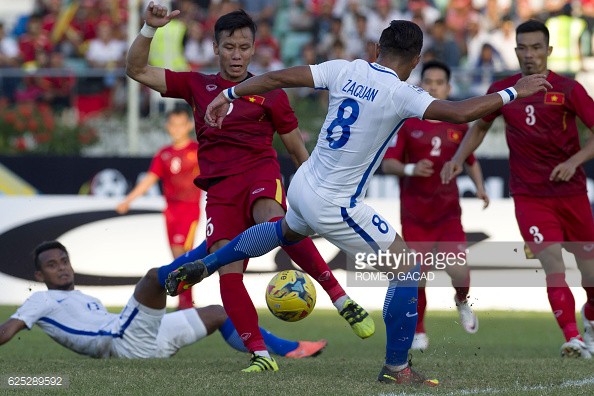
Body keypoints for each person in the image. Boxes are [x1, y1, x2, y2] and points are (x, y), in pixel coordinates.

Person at [176, 20, 550, 385]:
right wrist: (514, 91)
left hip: (304, 183)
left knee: (285, 230)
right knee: (407, 269)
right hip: (334, 203)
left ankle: (206, 263)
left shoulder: (344, 69)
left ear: (376, 50)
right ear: (416, 61)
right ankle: (397, 367)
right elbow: (459, 112)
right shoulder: (402, 93)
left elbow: (276, 77)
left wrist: (228, 94)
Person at [125, 3, 374, 372]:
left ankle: (340, 299)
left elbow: (294, 148)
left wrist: (314, 193)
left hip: (260, 176)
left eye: (244, 47)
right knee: (229, 269)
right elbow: (136, 70)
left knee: (274, 219)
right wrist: (148, 29)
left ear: (254, 48)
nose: (237, 55)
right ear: (215, 47)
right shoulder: (198, 85)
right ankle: (260, 354)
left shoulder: (270, 92)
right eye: (229, 47)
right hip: (220, 191)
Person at [441, 19, 594, 359]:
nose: (529, 55)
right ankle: (573, 337)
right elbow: (479, 127)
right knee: (553, 263)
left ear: (549, 51)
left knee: (590, 271)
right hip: (529, 196)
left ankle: (590, 320)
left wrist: (575, 161)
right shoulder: (505, 90)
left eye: (536, 47)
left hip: (571, 193)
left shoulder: (569, 90)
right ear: (515, 51)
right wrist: (457, 158)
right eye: (523, 48)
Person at [0, 241, 327, 360]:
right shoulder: (40, 302)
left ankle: (291, 349)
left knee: (217, 313)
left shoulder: (82, 297)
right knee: (153, 277)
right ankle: (209, 250)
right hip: (123, 344)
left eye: (64, 260)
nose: (62, 268)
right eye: (52, 265)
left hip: (146, 343)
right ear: (40, 276)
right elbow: (6, 333)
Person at [381, 60, 488, 351]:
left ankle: (462, 300)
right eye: (428, 81)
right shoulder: (407, 122)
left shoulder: (458, 124)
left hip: (448, 214)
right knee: (417, 276)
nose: (433, 86)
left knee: (459, 270)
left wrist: (479, 188)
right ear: (420, 85)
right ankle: (418, 330)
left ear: (448, 87)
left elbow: (471, 160)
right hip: (416, 216)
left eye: (439, 82)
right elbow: (388, 164)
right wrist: (412, 170)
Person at [116, 107, 200, 310]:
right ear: (167, 127)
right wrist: (128, 200)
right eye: (173, 125)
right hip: (170, 212)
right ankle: (185, 301)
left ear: (189, 125)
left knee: (182, 254)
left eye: (181, 124)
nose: (177, 129)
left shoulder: (197, 150)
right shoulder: (164, 154)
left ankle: (186, 303)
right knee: (177, 257)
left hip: (189, 210)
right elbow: (150, 179)